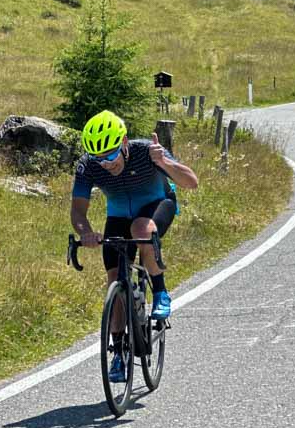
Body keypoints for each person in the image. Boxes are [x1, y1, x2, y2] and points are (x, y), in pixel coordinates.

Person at [70, 110, 199, 382]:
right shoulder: (87, 165)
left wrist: (164, 161)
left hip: (157, 203)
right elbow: (78, 212)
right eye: (98, 158)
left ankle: (161, 293)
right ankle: (118, 352)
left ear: (124, 142)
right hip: (118, 214)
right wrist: (87, 233)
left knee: (141, 230)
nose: (105, 163)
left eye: (110, 155)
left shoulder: (146, 151)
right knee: (115, 279)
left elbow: (191, 182)